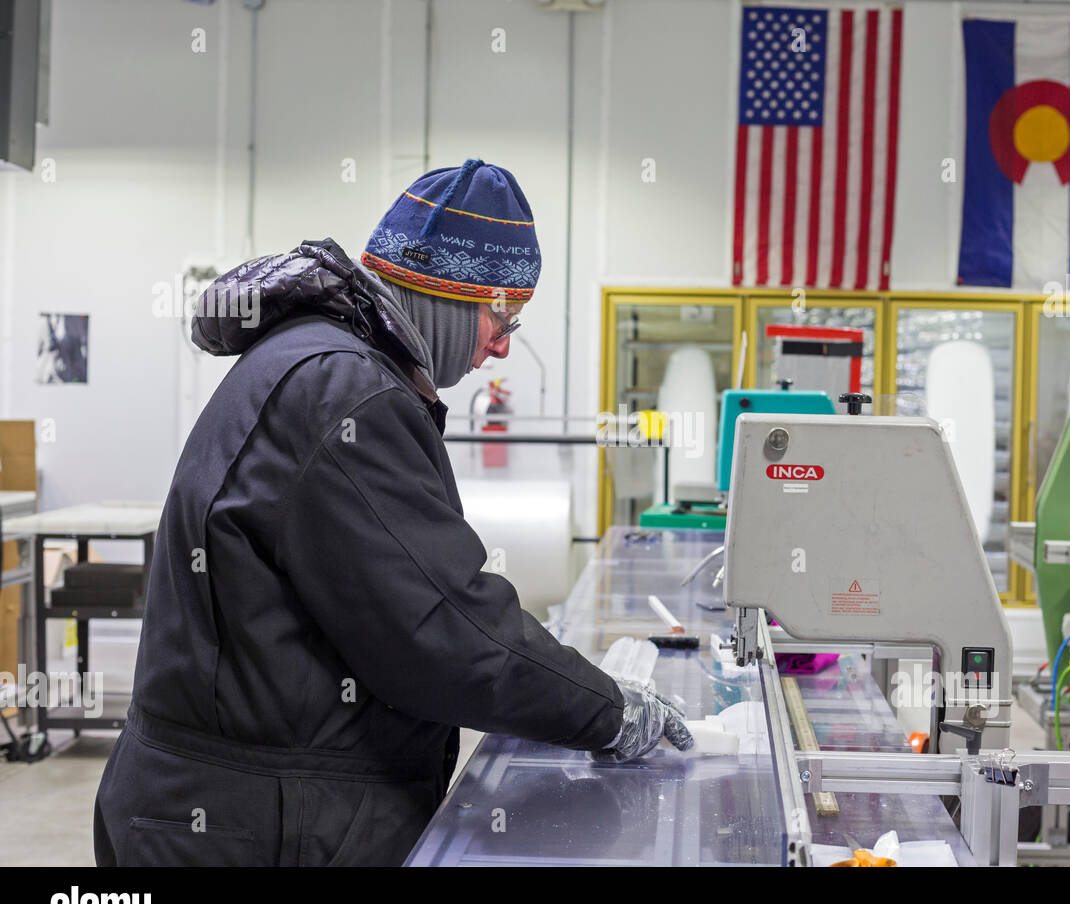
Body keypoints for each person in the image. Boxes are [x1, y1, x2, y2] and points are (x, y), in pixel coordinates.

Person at [93, 159, 693, 867]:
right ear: (443, 293)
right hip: (241, 828)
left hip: (232, 807)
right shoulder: (345, 391)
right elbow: (445, 633)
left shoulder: (316, 361)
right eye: (501, 316)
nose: (502, 344)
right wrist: (610, 712)